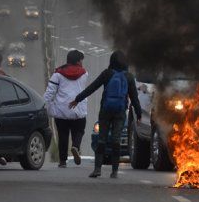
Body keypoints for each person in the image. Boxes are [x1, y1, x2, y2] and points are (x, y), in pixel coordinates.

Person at [70, 50, 141, 179]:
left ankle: (97, 169)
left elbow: (92, 87)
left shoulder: (107, 73)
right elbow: (134, 98)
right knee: (116, 140)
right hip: (120, 112)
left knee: (102, 139)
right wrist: (139, 114)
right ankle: (114, 171)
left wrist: (77, 99)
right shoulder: (129, 77)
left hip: (105, 111)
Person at [44, 50, 88, 168]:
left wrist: (44, 106)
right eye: (81, 60)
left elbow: (50, 92)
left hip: (61, 111)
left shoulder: (58, 74)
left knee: (63, 135)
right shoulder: (84, 74)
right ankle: (75, 147)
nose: (82, 63)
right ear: (77, 61)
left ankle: (63, 161)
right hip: (78, 110)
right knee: (79, 131)